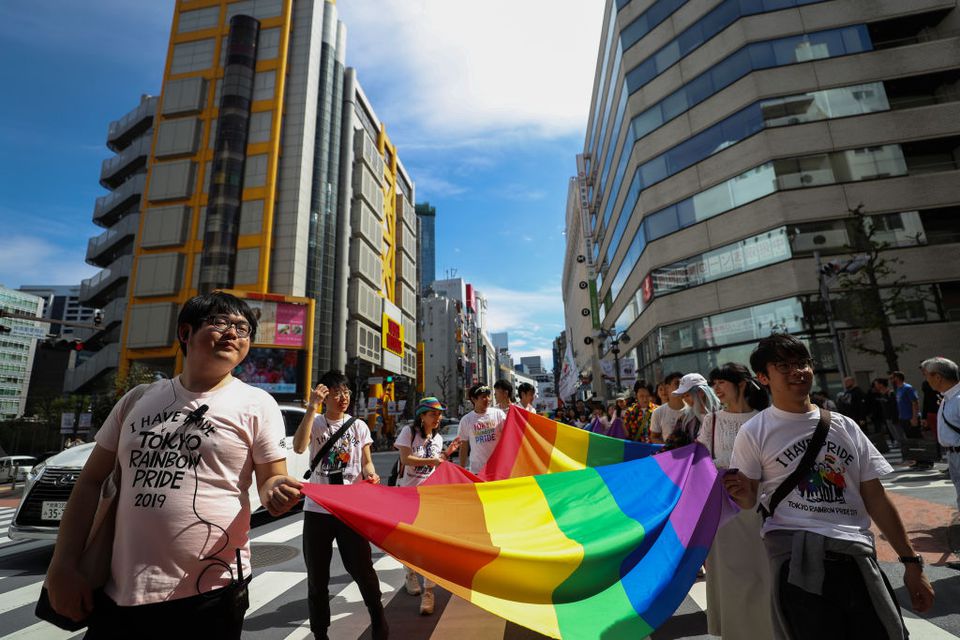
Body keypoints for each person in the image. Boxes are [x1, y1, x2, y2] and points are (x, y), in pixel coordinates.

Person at [46, 291, 302, 638]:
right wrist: (61, 566)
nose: (232, 333)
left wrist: (276, 491)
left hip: (211, 590)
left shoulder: (258, 403)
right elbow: (90, 482)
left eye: (243, 329)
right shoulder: (137, 399)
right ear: (185, 333)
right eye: (219, 322)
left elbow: (272, 478)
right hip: (117, 590)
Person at [726, 334, 934, 640]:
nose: (797, 371)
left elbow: (875, 498)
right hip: (796, 563)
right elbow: (749, 499)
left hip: (858, 560)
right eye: (783, 365)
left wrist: (911, 562)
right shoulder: (754, 432)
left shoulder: (845, 426)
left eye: (802, 363)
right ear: (763, 377)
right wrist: (743, 496)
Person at [294, 370, 387, 640]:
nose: (343, 397)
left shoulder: (359, 427)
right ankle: (320, 632)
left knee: (362, 569)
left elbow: (366, 460)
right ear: (325, 395)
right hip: (318, 509)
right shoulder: (317, 422)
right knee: (317, 576)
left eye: (346, 391)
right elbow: (300, 447)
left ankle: (377, 615)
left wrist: (370, 473)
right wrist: (311, 408)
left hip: (350, 510)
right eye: (336, 392)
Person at [698, 363, 773, 640]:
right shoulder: (712, 420)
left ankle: (767, 628)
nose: (716, 388)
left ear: (741, 384)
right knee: (730, 573)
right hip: (724, 507)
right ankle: (737, 632)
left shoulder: (765, 418)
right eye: (714, 383)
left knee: (763, 570)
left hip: (761, 505)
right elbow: (700, 461)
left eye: (721, 382)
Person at [393, 397, 461, 614]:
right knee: (411, 543)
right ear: (422, 415)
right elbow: (406, 459)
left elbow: (436, 462)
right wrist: (433, 461)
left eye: (439, 413)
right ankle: (410, 574)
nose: (438, 417)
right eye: (433, 414)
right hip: (408, 497)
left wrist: (447, 454)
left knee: (430, 546)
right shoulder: (408, 432)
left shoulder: (439, 438)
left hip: (430, 498)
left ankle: (428, 591)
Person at [920, 357, 960, 519]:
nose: (926, 379)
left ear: (938, 377)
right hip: (953, 454)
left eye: (927, 375)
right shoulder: (947, 397)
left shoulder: (957, 400)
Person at [458, 384, 507, 474]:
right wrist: (462, 469)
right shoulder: (466, 420)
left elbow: (509, 436)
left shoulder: (499, 414)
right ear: (473, 399)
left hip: (498, 469)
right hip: (477, 470)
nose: (488, 399)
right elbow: (463, 446)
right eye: (483, 397)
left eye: (488, 396)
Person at [666, 373, 721, 448]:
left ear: (701, 392)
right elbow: (672, 445)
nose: (685, 400)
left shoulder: (724, 413)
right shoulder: (684, 419)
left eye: (687, 395)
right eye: (683, 396)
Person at [650, 372, 685, 444]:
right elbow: (654, 437)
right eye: (677, 383)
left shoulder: (692, 409)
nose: (681, 386)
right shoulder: (658, 412)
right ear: (667, 387)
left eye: (683, 384)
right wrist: (668, 448)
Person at [890, 371, 921, 439]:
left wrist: (914, 418)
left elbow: (915, 403)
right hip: (903, 419)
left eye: (892, 378)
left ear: (897, 378)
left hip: (910, 418)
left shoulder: (908, 388)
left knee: (916, 439)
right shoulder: (898, 389)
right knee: (909, 438)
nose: (891, 380)